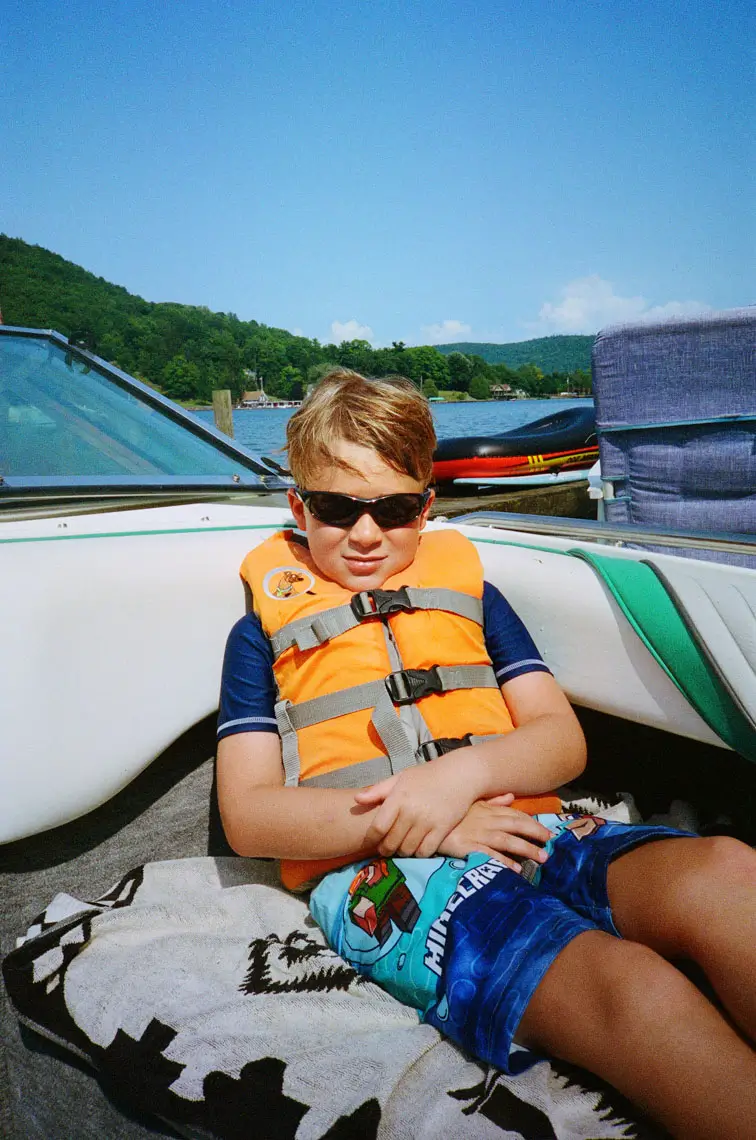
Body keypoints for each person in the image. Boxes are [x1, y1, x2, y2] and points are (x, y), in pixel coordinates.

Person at [217, 369, 756, 1140]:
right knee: (634, 987)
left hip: (522, 821)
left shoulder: (475, 600)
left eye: (394, 509)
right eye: (337, 509)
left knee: (730, 871)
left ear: (426, 508)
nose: (366, 535)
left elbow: (559, 740)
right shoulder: (258, 638)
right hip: (389, 873)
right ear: (299, 508)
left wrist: (459, 779)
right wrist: (428, 821)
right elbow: (249, 816)